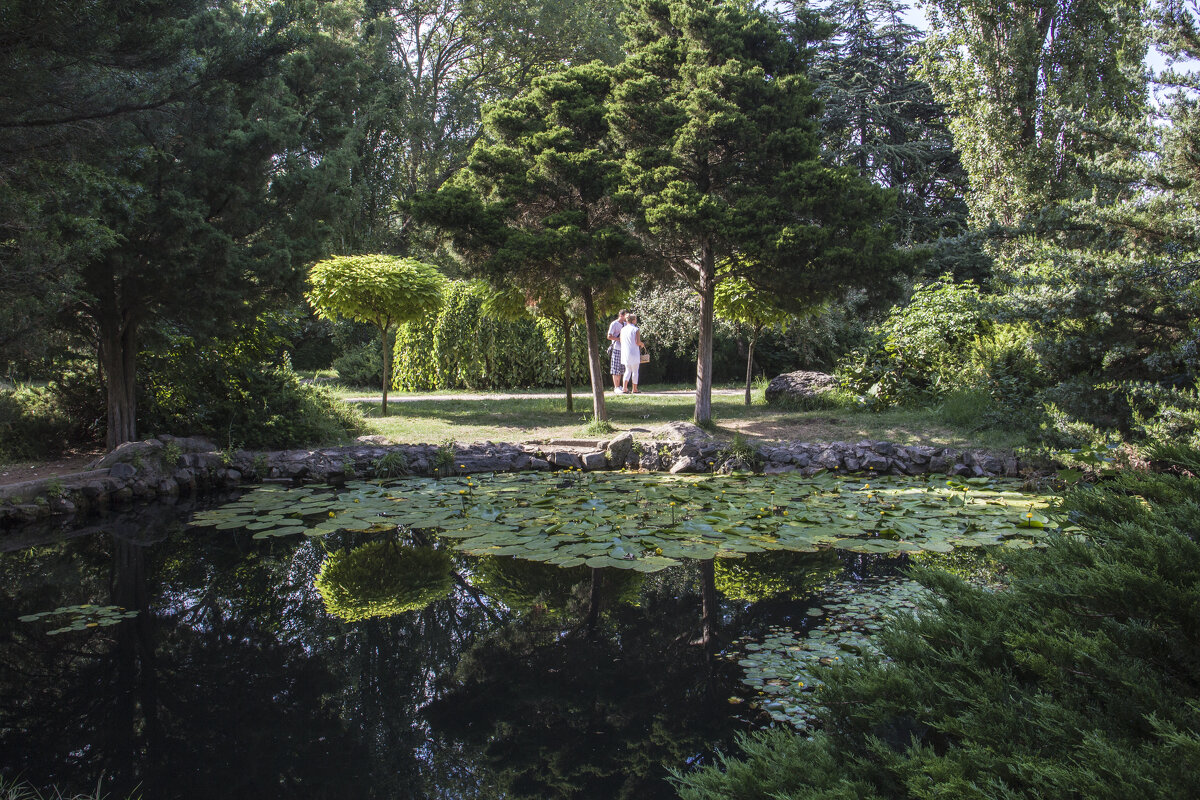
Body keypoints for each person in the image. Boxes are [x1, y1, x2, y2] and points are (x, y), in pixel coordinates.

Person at [619, 313, 644, 394]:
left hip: (625, 352)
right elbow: (637, 342)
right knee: (635, 370)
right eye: (635, 319)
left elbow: (621, 340)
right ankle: (635, 389)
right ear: (633, 320)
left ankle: (624, 388)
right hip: (634, 352)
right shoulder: (636, 329)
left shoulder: (623, 329)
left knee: (627, 370)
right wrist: (642, 344)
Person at [607, 309, 627, 392]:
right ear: (621, 315)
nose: (626, 317)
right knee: (615, 368)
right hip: (616, 348)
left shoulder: (626, 324)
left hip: (624, 349)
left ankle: (620, 386)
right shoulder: (614, 324)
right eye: (625, 316)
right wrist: (618, 339)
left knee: (622, 368)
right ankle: (616, 387)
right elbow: (609, 336)